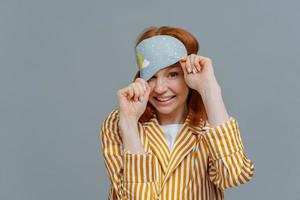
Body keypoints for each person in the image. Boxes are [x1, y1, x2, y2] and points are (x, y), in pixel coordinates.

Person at [100, 26, 254, 200]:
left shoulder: (211, 124)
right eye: (152, 76)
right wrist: (129, 123)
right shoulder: (119, 122)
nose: (159, 89)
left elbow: (233, 175)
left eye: (173, 74)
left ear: (188, 74)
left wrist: (209, 89)